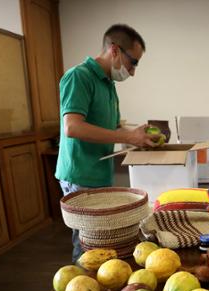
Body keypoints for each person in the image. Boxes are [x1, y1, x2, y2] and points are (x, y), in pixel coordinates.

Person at [55, 24, 156, 262]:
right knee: (88, 248)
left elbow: (114, 129)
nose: (132, 72)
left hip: (99, 175)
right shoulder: (78, 77)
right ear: (115, 50)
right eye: (133, 62)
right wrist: (128, 137)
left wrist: (138, 135)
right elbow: (72, 127)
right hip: (80, 176)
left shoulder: (108, 84)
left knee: (104, 245)